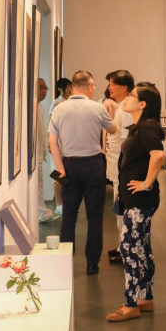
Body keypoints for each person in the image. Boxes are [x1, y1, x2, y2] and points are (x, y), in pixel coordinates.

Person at [106, 82, 166, 322]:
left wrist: (146, 183)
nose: (127, 98)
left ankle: (131, 303)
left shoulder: (148, 126)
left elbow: (158, 154)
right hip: (137, 199)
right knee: (141, 247)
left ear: (142, 103)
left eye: (131, 95)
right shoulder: (140, 127)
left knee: (129, 248)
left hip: (140, 199)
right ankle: (145, 298)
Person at [49, 71, 116, 275]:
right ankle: (92, 263)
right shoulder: (98, 108)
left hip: (69, 165)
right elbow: (113, 130)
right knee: (95, 216)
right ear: (90, 85)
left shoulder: (59, 109)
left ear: (72, 86)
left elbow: (52, 141)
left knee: (69, 215)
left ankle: (65, 262)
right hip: (93, 164)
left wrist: (60, 167)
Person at [104, 70, 136, 264]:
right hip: (116, 163)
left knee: (121, 209)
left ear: (124, 87)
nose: (109, 88)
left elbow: (126, 143)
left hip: (121, 166)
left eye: (112, 84)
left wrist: (124, 170)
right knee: (119, 208)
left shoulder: (126, 109)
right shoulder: (121, 107)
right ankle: (122, 245)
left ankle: (126, 248)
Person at [49, 78, 73, 215]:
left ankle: (64, 202)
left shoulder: (69, 102)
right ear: (59, 89)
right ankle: (59, 204)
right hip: (56, 143)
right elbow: (51, 124)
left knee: (64, 173)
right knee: (57, 174)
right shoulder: (56, 103)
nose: (70, 89)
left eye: (71, 86)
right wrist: (50, 144)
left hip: (66, 143)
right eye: (67, 87)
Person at [37, 78, 59, 223]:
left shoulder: (40, 106)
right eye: (41, 87)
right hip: (34, 154)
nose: (44, 91)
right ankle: (43, 213)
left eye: (46, 88)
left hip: (40, 152)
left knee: (40, 184)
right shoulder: (55, 104)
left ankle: (42, 212)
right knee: (39, 184)